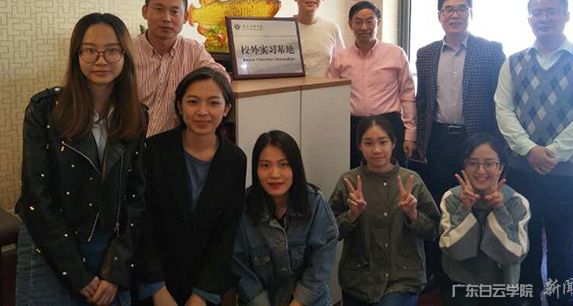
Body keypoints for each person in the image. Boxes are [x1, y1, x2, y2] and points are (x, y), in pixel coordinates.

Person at [15, 13, 147, 306]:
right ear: (77, 55)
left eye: (112, 50)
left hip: (108, 244)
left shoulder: (136, 116)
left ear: (125, 56)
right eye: (90, 50)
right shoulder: (44, 110)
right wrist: (77, 273)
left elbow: (135, 197)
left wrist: (115, 269)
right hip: (48, 243)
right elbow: (37, 197)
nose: (101, 60)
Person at [495, 0, 573, 306]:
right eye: (537, 13)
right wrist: (529, 150)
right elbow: (503, 110)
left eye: (551, 11)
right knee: (523, 241)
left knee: (562, 245)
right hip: (522, 170)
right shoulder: (514, 62)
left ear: (566, 16)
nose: (544, 18)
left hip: (567, 174)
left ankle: (560, 300)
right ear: (529, 19)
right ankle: (527, 298)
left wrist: (551, 153)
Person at [415, 0, 505, 288]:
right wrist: (419, 142)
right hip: (439, 140)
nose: (454, 14)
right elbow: (423, 101)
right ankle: (438, 270)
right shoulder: (426, 54)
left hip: (476, 142)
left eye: (461, 8)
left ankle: (475, 272)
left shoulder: (490, 50)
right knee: (439, 202)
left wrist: (497, 147)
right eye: (448, 9)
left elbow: (501, 102)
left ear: (470, 13)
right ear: (440, 16)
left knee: (476, 202)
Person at [136, 67, 246, 306]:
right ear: (179, 106)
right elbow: (142, 222)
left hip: (204, 284)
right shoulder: (153, 151)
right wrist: (157, 288)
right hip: (153, 281)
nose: (202, 112)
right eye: (193, 102)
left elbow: (226, 232)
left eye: (213, 103)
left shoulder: (235, 159)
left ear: (226, 108)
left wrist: (202, 293)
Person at [329, 116, 439, 306]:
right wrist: (351, 215)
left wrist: (413, 215)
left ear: (393, 143)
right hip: (359, 278)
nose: (377, 150)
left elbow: (433, 231)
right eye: (368, 143)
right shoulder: (349, 181)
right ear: (359, 146)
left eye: (383, 142)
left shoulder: (411, 180)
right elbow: (329, 233)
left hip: (402, 277)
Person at [232, 130, 338, 306]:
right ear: (256, 169)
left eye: (283, 165)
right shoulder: (243, 208)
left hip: (310, 302)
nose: (274, 174)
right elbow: (239, 267)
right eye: (265, 165)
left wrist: (297, 303)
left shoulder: (315, 202)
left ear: (295, 168)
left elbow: (321, 263)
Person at [439, 133, 530, 306]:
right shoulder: (452, 198)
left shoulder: (516, 202)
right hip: (461, 283)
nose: (480, 171)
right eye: (473, 163)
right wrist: (465, 208)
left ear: (501, 167)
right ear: (464, 166)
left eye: (489, 164)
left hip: (502, 285)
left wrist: (499, 208)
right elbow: (453, 251)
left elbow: (514, 254)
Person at [134, 0, 229, 137]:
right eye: (159, 9)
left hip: (177, 143)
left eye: (174, 12)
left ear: (185, 17)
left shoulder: (193, 50)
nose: (167, 18)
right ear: (145, 11)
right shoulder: (128, 52)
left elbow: (221, 76)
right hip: (131, 144)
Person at [328, 1, 416, 168]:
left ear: (378, 22)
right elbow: (332, 98)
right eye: (358, 21)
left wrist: (410, 134)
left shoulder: (396, 53)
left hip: (390, 124)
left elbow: (408, 95)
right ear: (350, 24)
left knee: (394, 176)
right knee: (356, 175)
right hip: (354, 127)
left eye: (369, 21)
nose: (364, 27)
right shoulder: (340, 57)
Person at [290, 0, 344, 77]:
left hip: (323, 87)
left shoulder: (332, 28)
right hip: (291, 87)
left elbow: (341, 65)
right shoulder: (284, 28)